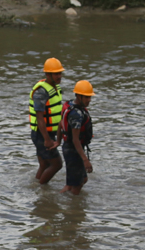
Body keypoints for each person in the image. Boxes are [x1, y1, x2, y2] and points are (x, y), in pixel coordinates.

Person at [28, 57, 65, 185]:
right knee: (57, 164)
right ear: (47, 74)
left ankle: (36, 187)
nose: (59, 76)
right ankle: (42, 190)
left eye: (60, 73)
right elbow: (40, 118)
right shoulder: (41, 92)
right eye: (56, 74)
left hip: (47, 133)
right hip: (41, 134)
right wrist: (47, 139)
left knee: (44, 165)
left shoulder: (55, 87)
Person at [60, 79, 95, 195]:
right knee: (77, 185)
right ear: (79, 96)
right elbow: (75, 139)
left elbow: (60, 124)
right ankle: (72, 209)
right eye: (86, 97)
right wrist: (85, 160)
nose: (89, 100)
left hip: (70, 148)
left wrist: (57, 141)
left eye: (90, 97)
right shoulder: (76, 115)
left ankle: (57, 200)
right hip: (73, 150)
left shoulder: (70, 105)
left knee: (81, 180)